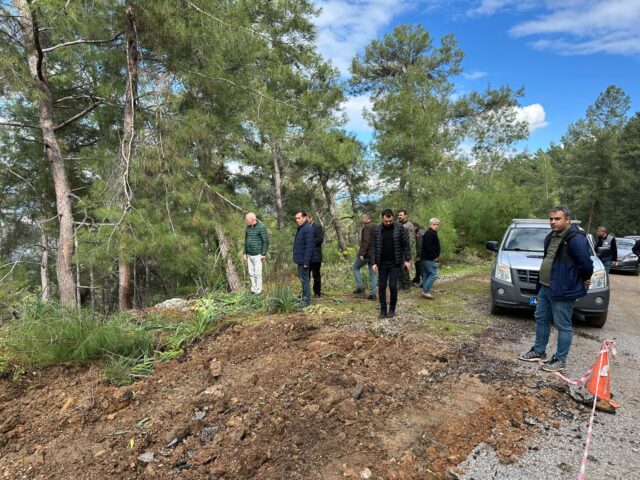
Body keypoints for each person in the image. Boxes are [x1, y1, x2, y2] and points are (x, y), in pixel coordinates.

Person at [518, 205, 593, 372]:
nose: (553, 222)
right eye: (551, 218)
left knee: (563, 325)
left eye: (557, 218)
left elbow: (586, 264)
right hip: (545, 286)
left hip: (563, 289)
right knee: (541, 318)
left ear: (568, 220)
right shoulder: (551, 236)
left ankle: (560, 360)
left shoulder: (576, 238)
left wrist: (584, 279)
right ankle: (539, 351)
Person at [372, 209, 412, 319]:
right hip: (382, 263)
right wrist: (373, 262)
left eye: (390, 221)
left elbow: (406, 245)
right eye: (386, 221)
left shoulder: (400, 228)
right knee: (382, 287)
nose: (388, 223)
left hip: (395, 263)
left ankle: (392, 309)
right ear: (382, 218)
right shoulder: (377, 230)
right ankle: (383, 310)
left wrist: (407, 260)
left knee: (393, 286)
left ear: (393, 218)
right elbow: (373, 247)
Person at [353, 213, 378, 300]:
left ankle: (361, 288)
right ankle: (373, 295)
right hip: (375, 254)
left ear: (367, 218)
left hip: (367, 254)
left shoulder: (367, 227)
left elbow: (366, 241)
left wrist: (361, 253)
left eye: (363, 218)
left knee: (355, 268)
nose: (362, 219)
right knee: (373, 274)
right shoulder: (376, 226)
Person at [243, 212, 269, 295]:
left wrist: (263, 254)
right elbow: (246, 241)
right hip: (249, 254)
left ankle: (259, 291)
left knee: (258, 273)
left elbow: (265, 241)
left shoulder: (261, 227)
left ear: (252, 219)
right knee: (251, 273)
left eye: (247, 220)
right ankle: (253, 290)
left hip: (258, 254)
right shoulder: (248, 228)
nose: (246, 221)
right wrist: (244, 253)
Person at [293, 210, 315, 308]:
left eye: (299, 218)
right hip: (300, 260)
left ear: (305, 217)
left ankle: (306, 302)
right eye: (296, 218)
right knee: (303, 280)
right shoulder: (301, 228)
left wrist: (306, 262)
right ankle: (304, 299)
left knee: (305, 281)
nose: (297, 220)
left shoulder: (308, 229)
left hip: (304, 261)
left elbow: (309, 247)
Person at [420, 218, 441, 299]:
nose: (436, 226)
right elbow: (428, 247)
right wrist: (434, 256)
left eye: (437, 224)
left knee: (427, 274)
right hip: (429, 258)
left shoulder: (432, 233)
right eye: (434, 224)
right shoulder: (429, 233)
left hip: (427, 258)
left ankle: (424, 290)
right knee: (434, 274)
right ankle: (425, 291)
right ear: (430, 225)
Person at [397, 210, 415, 292]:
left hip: (405, 250)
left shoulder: (409, 225)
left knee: (404, 268)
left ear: (405, 215)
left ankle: (407, 286)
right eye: (399, 215)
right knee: (398, 268)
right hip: (397, 250)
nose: (399, 216)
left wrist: (407, 249)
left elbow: (412, 238)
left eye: (401, 215)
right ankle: (400, 284)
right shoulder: (397, 224)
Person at [307, 214, 324, 298]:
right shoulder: (303, 228)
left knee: (316, 275)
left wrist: (309, 241)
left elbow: (320, 239)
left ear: (311, 218)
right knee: (306, 275)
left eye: (307, 219)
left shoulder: (317, 227)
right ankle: (306, 293)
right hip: (306, 257)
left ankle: (317, 293)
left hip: (316, 256)